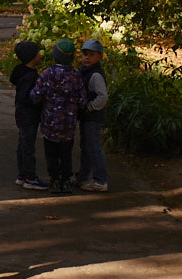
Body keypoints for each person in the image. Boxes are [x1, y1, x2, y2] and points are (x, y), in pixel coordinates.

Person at [29, 39, 86, 194]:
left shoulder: (47, 74)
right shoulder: (76, 76)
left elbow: (36, 95)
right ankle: (65, 180)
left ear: (55, 55)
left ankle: (54, 179)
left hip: (50, 123)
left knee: (51, 153)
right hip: (68, 125)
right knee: (66, 153)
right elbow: (82, 101)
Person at [10, 41, 49, 191]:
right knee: (28, 146)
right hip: (29, 114)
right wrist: (39, 99)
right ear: (32, 57)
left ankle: (22, 174)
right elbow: (27, 97)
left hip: (22, 113)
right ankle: (30, 177)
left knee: (23, 143)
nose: (40, 55)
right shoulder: (30, 76)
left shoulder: (21, 72)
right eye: (38, 53)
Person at [74, 39, 110, 192]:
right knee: (86, 147)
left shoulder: (95, 75)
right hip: (86, 117)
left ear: (100, 57)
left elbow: (103, 97)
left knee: (93, 148)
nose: (87, 58)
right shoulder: (85, 71)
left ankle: (100, 180)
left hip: (93, 118)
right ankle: (83, 176)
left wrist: (90, 107)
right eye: (85, 54)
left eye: (91, 55)